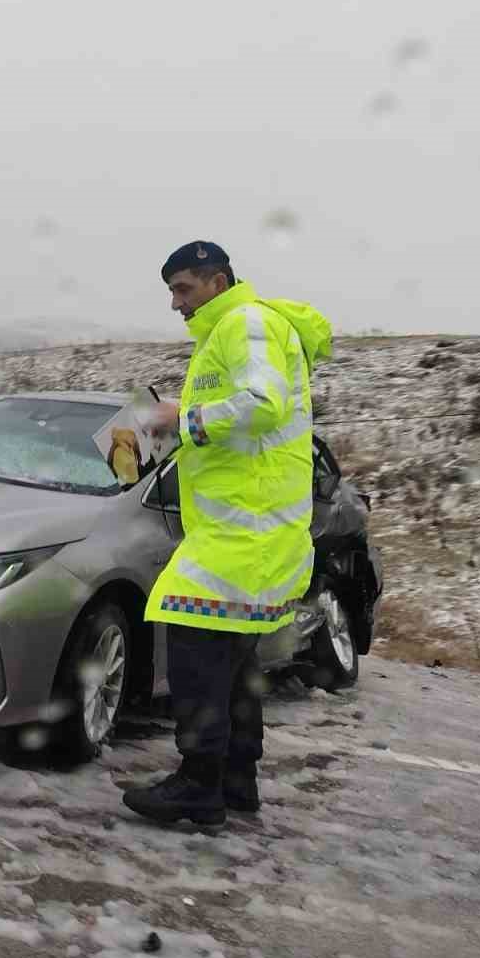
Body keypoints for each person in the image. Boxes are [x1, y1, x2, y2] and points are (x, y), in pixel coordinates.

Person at [120, 241, 331, 827]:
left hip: (246, 534)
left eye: (183, 289)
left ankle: (199, 783)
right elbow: (241, 425)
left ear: (217, 281)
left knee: (194, 648)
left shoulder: (247, 322)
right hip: (247, 531)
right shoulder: (225, 335)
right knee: (231, 664)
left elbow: (263, 404)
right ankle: (236, 780)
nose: (174, 303)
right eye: (170, 291)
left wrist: (178, 419)